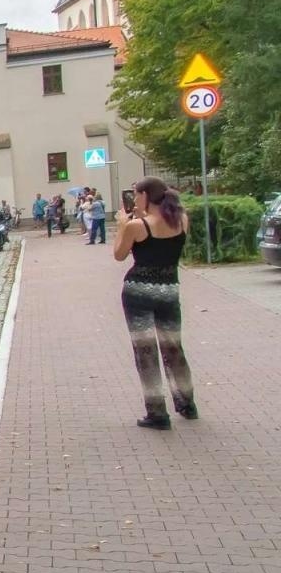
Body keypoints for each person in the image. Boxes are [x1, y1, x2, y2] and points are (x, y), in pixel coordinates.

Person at [114, 178, 196, 428]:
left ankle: (157, 412)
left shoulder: (137, 226)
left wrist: (122, 225)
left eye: (137, 196)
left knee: (145, 351)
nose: (135, 200)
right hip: (169, 290)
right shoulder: (181, 220)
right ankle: (186, 403)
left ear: (146, 196)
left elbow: (119, 254)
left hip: (138, 292)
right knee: (173, 347)